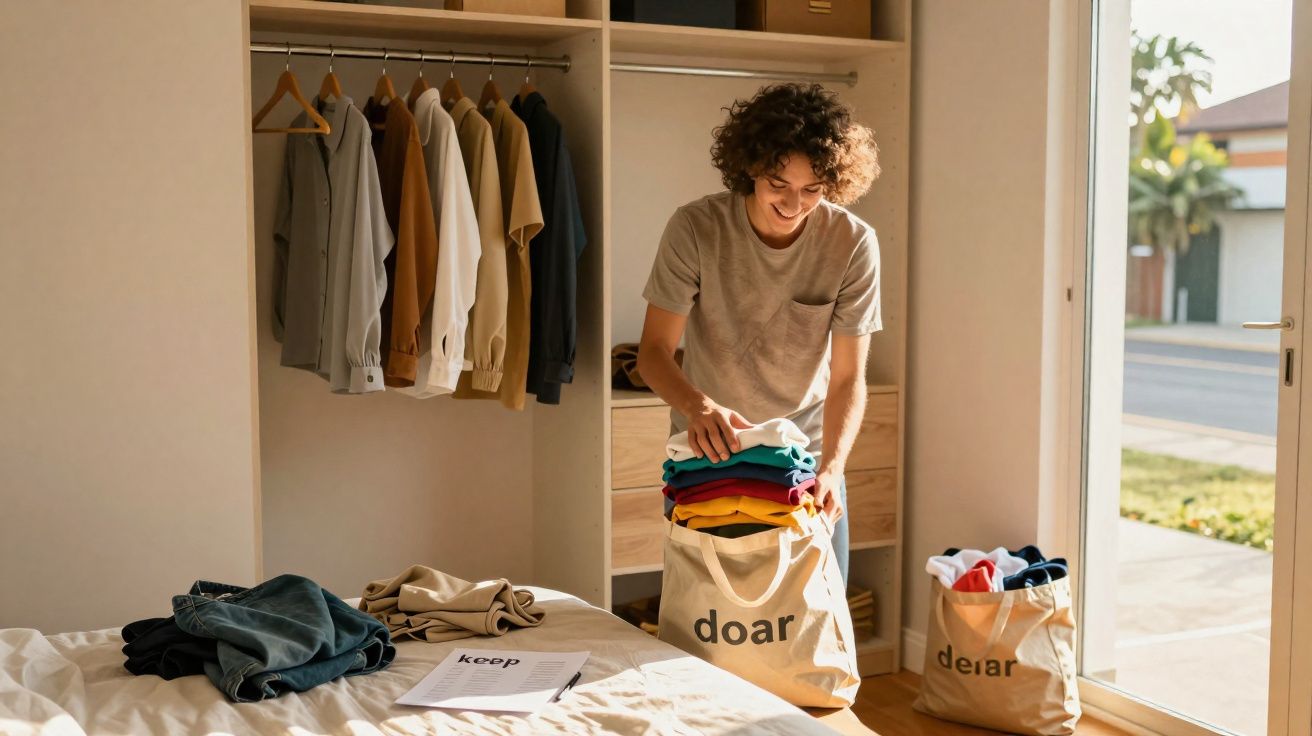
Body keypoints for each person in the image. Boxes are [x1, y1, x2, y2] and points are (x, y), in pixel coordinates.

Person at [637, 82, 883, 584]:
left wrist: (832, 468)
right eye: (779, 184)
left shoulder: (854, 244)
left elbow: (847, 378)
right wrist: (698, 407)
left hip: (805, 464)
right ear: (750, 169)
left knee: (816, 636)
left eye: (812, 190)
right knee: (705, 636)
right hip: (708, 460)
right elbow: (654, 354)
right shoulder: (695, 228)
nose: (794, 203)